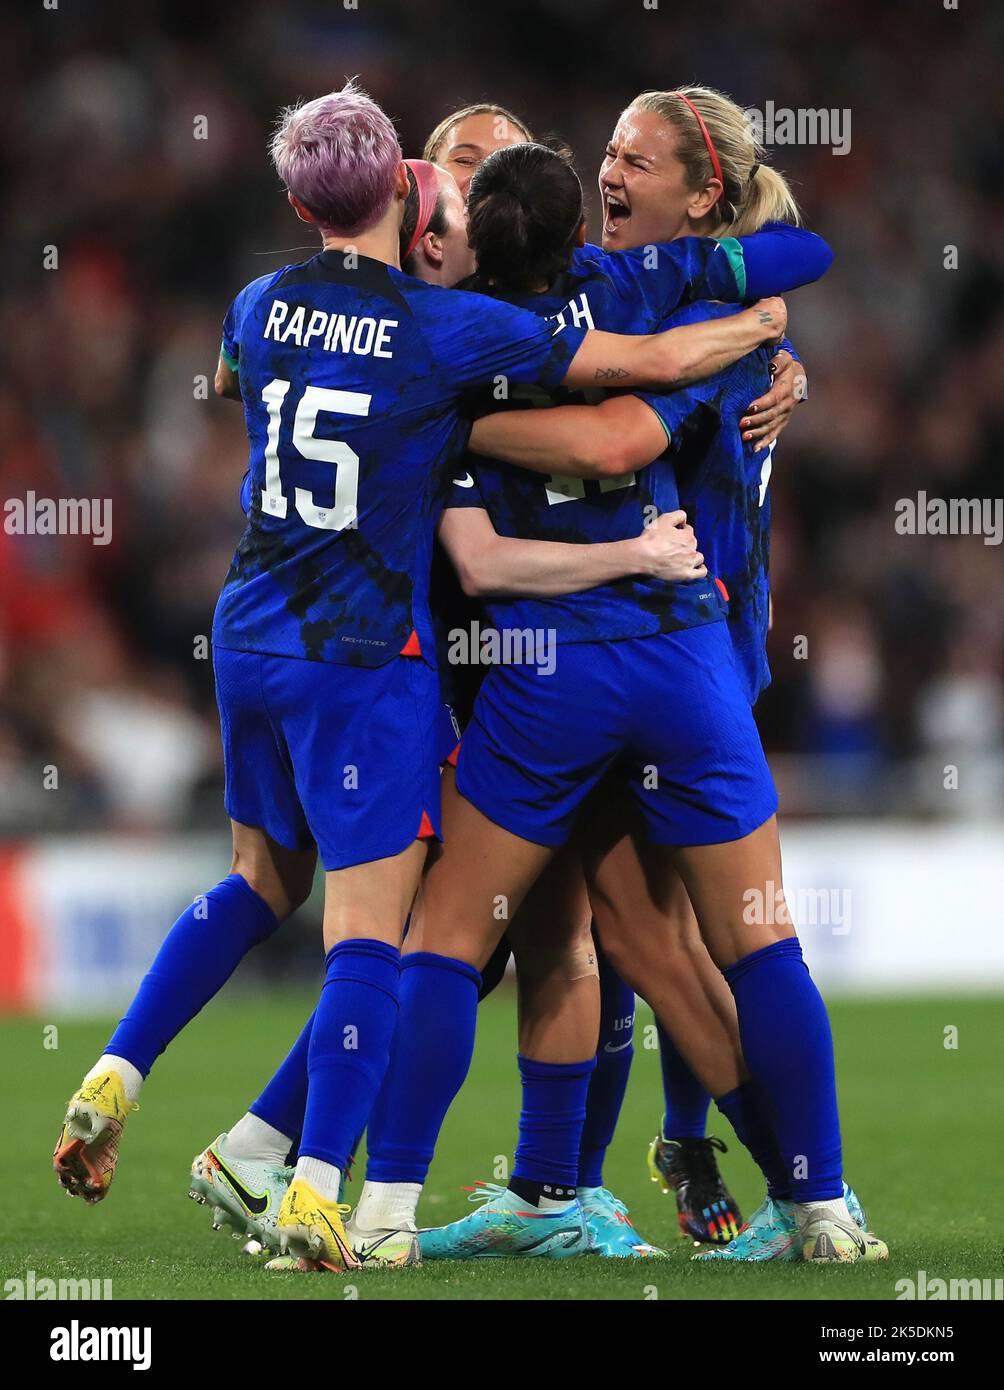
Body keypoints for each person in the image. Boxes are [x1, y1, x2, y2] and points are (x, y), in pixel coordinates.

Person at [51, 82, 787, 1275]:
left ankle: (494, 1176)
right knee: (434, 939)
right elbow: (581, 452)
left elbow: (249, 374)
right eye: (461, 178)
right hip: (411, 657)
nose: (478, 206)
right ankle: (336, 1185)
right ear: (417, 199)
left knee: (477, 926)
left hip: (268, 630)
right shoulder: (449, 339)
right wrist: (758, 335)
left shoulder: (271, 300)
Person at [349, 128, 886, 1267]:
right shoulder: (641, 289)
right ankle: (818, 1204)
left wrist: (447, 422)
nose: (614, 177)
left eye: (637, 159)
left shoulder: (443, 338)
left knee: (448, 938)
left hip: (548, 666)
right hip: (685, 653)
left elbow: (583, 451)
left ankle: (380, 1209)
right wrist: (750, 322)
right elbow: (792, 265)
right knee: (738, 940)